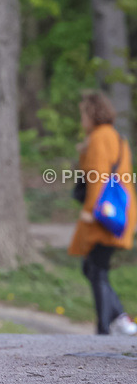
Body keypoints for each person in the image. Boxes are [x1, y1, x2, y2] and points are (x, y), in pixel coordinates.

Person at [68, 91, 137, 336]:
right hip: (121, 211)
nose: (82, 119)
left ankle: (104, 328)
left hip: (103, 215)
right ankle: (119, 319)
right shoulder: (117, 137)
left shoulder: (99, 137)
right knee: (94, 267)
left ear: (92, 114)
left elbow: (97, 176)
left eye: (83, 114)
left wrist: (90, 211)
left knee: (96, 269)